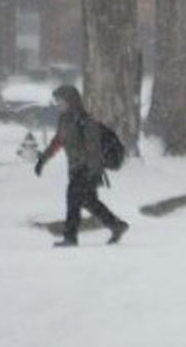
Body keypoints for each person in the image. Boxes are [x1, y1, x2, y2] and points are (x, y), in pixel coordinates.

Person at [35, 84, 128, 247]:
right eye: (57, 101)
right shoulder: (64, 120)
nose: (58, 105)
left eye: (61, 101)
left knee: (72, 198)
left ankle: (70, 237)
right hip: (75, 168)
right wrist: (43, 159)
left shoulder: (85, 121)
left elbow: (94, 149)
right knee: (89, 202)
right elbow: (58, 142)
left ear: (71, 101)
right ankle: (116, 225)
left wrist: (93, 172)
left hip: (86, 169)